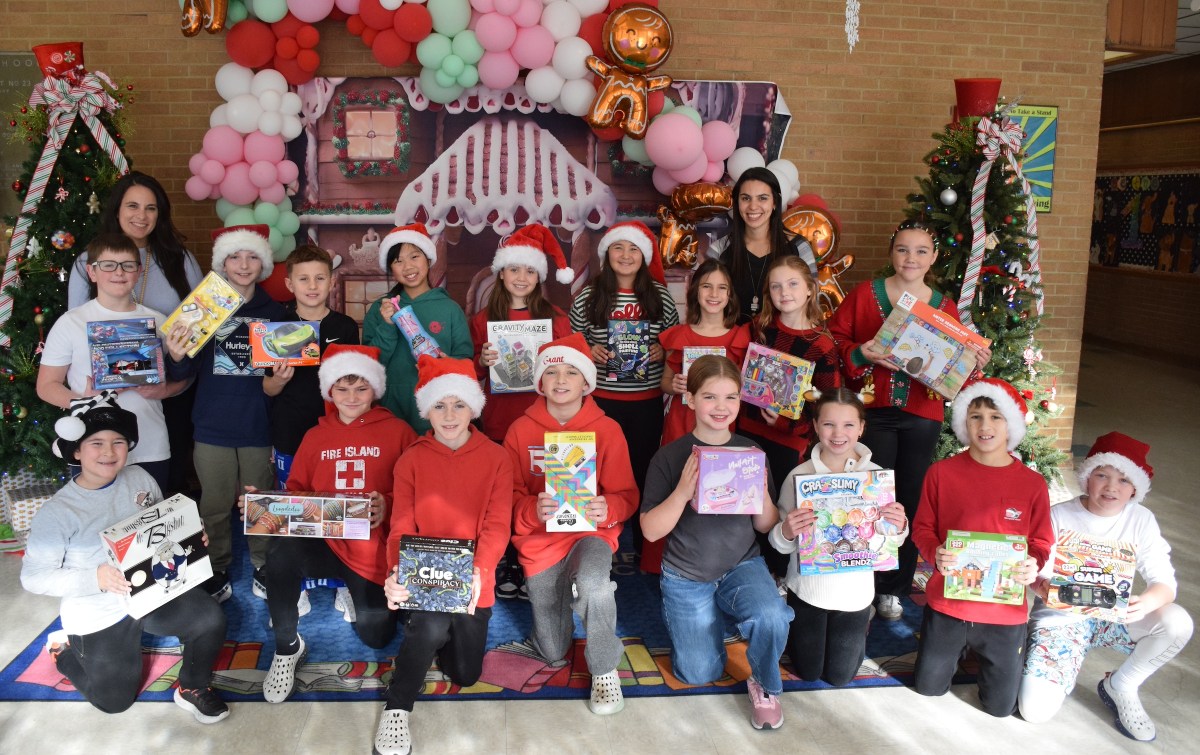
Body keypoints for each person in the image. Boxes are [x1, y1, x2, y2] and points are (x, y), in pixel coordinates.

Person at [20, 394, 229, 723]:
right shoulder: (58, 511)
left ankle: (192, 686)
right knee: (113, 702)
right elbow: (33, 577)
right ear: (76, 450)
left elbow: (162, 526)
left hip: (152, 592)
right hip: (98, 609)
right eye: (96, 443)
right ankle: (62, 649)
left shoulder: (140, 478)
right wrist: (96, 578)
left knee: (209, 618)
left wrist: (191, 538)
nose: (109, 452)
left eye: (119, 442)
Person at [828, 219, 991, 621]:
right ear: (891, 253)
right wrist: (863, 352)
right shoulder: (866, 294)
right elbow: (833, 343)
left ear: (933, 257)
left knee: (912, 500)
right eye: (903, 249)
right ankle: (863, 583)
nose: (911, 258)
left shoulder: (944, 306)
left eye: (921, 251)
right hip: (873, 413)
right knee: (872, 497)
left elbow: (956, 367)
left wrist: (976, 362)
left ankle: (894, 589)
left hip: (922, 414)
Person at [256, 345, 417, 704]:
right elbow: (297, 490)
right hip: (325, 543)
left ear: (374, 390)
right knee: (280, 552)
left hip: (371, 550)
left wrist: (386, 503)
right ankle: (286, 648)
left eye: (361, 388)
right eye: (342, 389)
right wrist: (267, 505)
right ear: (330, 391)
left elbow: (419, 489)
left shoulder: (399, 431)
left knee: (377, 637)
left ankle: (355, 590)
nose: (351, 397)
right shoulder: (316, 435)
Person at [641, 355, 792, 730]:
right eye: (709, 397)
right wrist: (682, 491)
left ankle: (765, 683)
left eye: (730, 398)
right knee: (697, 672)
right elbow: (650, 531)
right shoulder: (670, 456)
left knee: (772, 616)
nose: (720, 407)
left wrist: (762, 494)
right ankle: (721, 622)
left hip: (741, 564)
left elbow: (766, 525)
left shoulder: (752, 452)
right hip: (687, 574)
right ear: (689, 400)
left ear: (741, 401)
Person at [375, 356, 514, 755]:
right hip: (426, 573)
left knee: (466, 674)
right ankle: (397, 706)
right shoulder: (412, 460)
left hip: (473, 579)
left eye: (459, 404)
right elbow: (401, 525)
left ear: (474, 407)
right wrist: (397, 571)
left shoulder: (497, 458)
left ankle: (434, 636)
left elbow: (496, 525)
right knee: (431, 627)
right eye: (439, 405)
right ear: (426, 410)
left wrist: (480, 571)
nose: (449, 415)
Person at [1019, 432, 1193, 742]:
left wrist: (1148, 602)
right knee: (1035, 710)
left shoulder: (1141, 519)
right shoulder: (1059, 515)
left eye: (1124, 480)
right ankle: (1057, 665)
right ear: (1087, 479)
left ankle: (1121, 685)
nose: (1112, 486)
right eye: (1102, 475)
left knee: (1176, 622)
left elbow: (1165, 583)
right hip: (1063, 618)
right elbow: (1038, 574)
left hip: (1115, 615)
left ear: (1135, 489)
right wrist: (1043, 586)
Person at [503, 333, 639, 716]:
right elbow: (507, 498)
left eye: (570, 372)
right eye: (552, 372)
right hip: (540, 543)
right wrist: (532, 509)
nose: (560, 380)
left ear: (586, 382)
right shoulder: (518, 430)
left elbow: (627, 494)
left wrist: (607, 508)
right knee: (552, 650)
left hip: (588, 535)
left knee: (596, 584)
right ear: (540, 382)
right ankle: (565, 610)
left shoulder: (607, 429)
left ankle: (604, 668)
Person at [911, 377, 1052, 718]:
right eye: (975, 416)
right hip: (949, 603)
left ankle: (993, 655)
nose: (985, 425)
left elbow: (1041, 541)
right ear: (963, 422)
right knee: (928, 688)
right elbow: (922, 529)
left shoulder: (1032, 484)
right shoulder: (941, 473)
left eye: (995, 416)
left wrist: (1033, 563)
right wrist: (935, 553)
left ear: (1011, 424)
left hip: (1003, 612)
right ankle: (955, 650)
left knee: (1001, 708)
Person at [164, 224, 287, 603]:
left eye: (253, 256)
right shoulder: (203, 309)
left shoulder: (276, 312)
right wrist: (176, 356)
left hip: (257, 426)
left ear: (264, 264)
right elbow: (184, 373)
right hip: (212, 425)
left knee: (260, 503)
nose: (244, 264)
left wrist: (280, 380)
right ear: (222, 263)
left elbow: (283, 381)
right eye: (235, 256)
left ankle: (264, 564)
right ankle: (215, 566)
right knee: (214, 505)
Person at [66, 171, 205, 497]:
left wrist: (171, 387)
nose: (141, 216)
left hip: (168, 391)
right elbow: (77, 330)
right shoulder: (88, 262)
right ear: (117, 210)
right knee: (107, 483)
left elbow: (199, 333)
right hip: (106, 393)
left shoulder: (180, 261)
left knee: (164, 484)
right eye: (132, 206)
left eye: (151, 208)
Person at [771, 387, 908, 686]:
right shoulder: (799, 476)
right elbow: (778, 542)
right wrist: (786, 530)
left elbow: (890, 542)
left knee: (840, 676)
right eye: (829, 424)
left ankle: (862, 623)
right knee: (807, 670)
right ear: (817, 426)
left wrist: (899, 526)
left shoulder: (877, 478)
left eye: (848, 424)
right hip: (808, 590)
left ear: (861, 428)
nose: (838, 433)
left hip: (854, 594)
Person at [37, 233, 187, 493]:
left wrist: (165, 390)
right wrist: (82, 400)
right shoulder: (71, 322)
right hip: (92, 447)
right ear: (92, 272)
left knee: (148, 526)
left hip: (151, 445)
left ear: (138, 271)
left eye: (127, 265)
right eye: (108, 265)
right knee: (96, 529)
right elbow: (46, 386)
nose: (118, 272)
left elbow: (182, 378)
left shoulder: (160, 321)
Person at [470, 224, 573, 600]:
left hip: (543, 421)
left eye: (530, 270)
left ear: (540, 276)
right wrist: (482, 361)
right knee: (504, 494)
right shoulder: (483, 320)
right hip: (499, 420)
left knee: (539, 491)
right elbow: (471, 373)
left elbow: (571, 367)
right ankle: (508, 558)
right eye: (515, 269)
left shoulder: (555, 318)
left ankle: (540, 558)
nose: (522, 277)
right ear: (501, 273)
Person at [569, 221, 679, 546]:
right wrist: (588, 350)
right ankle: (602, 539)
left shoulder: (659, 296)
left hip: (646, 402)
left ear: (643, 257)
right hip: (601, 403)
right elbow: (571, 343)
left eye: (633, 249)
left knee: (642, 470)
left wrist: (663, 349)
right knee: (601, 472)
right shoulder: (589, 296)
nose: (626, 255)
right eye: (619, 247)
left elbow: (674, 341)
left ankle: (639, 544)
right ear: (607, 254)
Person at [646, 259, 749, 574]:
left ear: (730, 295)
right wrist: (674, 384)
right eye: (706, 286)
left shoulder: (740, 338)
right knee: (678, 484)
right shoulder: (679, 335)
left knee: (721, 484)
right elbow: (665, 381)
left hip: (723, 425)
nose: (714, 294)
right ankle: (668, 562)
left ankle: (716, 559)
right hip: (682, 423)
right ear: (695, 292)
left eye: (722, 287)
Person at [739, 256, 841, 498]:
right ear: (769, 293)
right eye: (776, 286)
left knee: (782, 512)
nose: (784, 292)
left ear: (809, 289)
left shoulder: (821, 345)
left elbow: (827, 407)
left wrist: (785, 423)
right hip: (746, 435)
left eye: (793, 284)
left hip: (789, 443)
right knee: (745, 506)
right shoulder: (757, 330)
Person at [262, 244, 360, 487]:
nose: (313, 286)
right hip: (289, 429)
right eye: (303, 279)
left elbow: (355, 384)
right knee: (292, 500)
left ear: (332, 281)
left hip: (334, 429)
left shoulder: (345, 326)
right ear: (289, 285)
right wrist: (280, 380)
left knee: (329, 497)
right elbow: (268, 388)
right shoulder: (277, 327)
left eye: (319, 278)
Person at [363, 223, 473, 435]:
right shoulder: (380, 309)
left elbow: (465, 360)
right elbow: (370, 365)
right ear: (390, 268)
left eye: (415, 257)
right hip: (390, 412)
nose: (408, 267)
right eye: (398, 261)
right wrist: (387, 326)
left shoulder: (449, 309)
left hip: (438, 414)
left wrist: (444, 365)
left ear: (428, 259)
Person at [711, 167, 816, 323]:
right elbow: (705, 300)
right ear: (737, 203)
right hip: (732, 340)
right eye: (746, 198)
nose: (753, 206)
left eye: (762, 198)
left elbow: (812, 301)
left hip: (781, 343)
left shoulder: (799, 247)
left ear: (775, 202)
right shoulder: (719, 248)